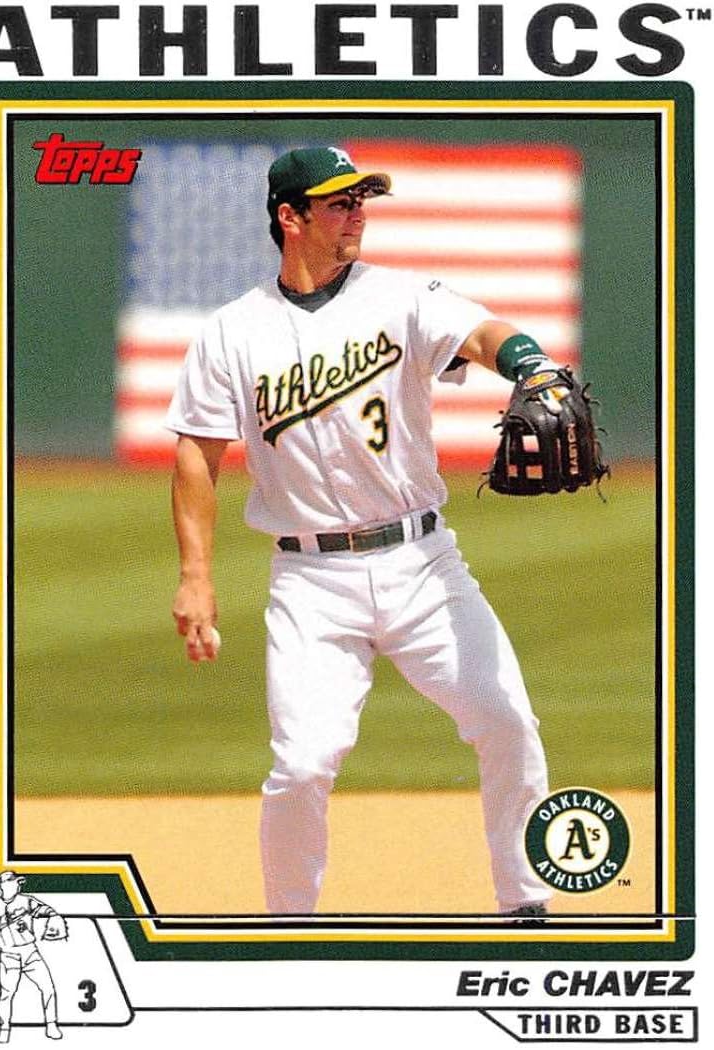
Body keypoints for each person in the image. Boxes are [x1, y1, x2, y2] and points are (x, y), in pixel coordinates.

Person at [167, 145, 553, 919]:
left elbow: (483, 334)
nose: (358, 214)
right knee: (302, 765)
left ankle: (526, 904)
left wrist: (533, 365)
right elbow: (196, 458)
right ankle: (289, 929)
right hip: (311, 580)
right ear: (290, 216)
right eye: (340, 202)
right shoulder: (233, 331)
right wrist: (196, 576)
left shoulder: (401, 297)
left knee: (507, 718)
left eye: (361, 200)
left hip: (423, 564)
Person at [0, 871, 65, 1042]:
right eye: (12, 882)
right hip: (8, 954)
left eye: (17, 883)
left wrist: (54, 917)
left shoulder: (26, 901)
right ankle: (4, 1028)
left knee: (48, 987)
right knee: (6, 993)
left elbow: (45, 910)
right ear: (2, 886)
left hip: (30, 952)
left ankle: (51, 1024)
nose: (17, 885)